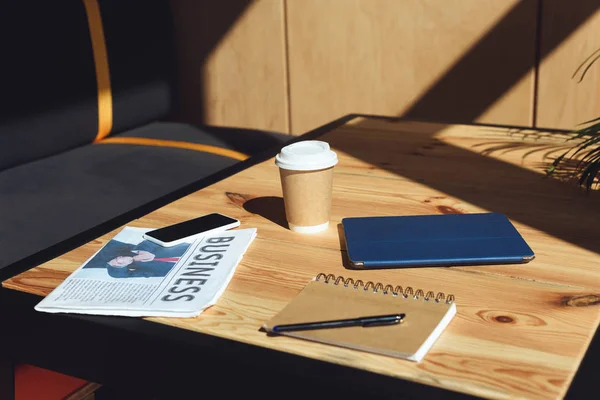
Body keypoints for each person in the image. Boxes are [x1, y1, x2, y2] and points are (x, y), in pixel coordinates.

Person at [85, 239, 190, 278]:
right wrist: (141, 250)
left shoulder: (172, 272)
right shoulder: (186, 247)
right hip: (108, 244)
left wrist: (118, 263)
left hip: (91, 259)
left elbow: (120, 274)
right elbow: (152, 240)